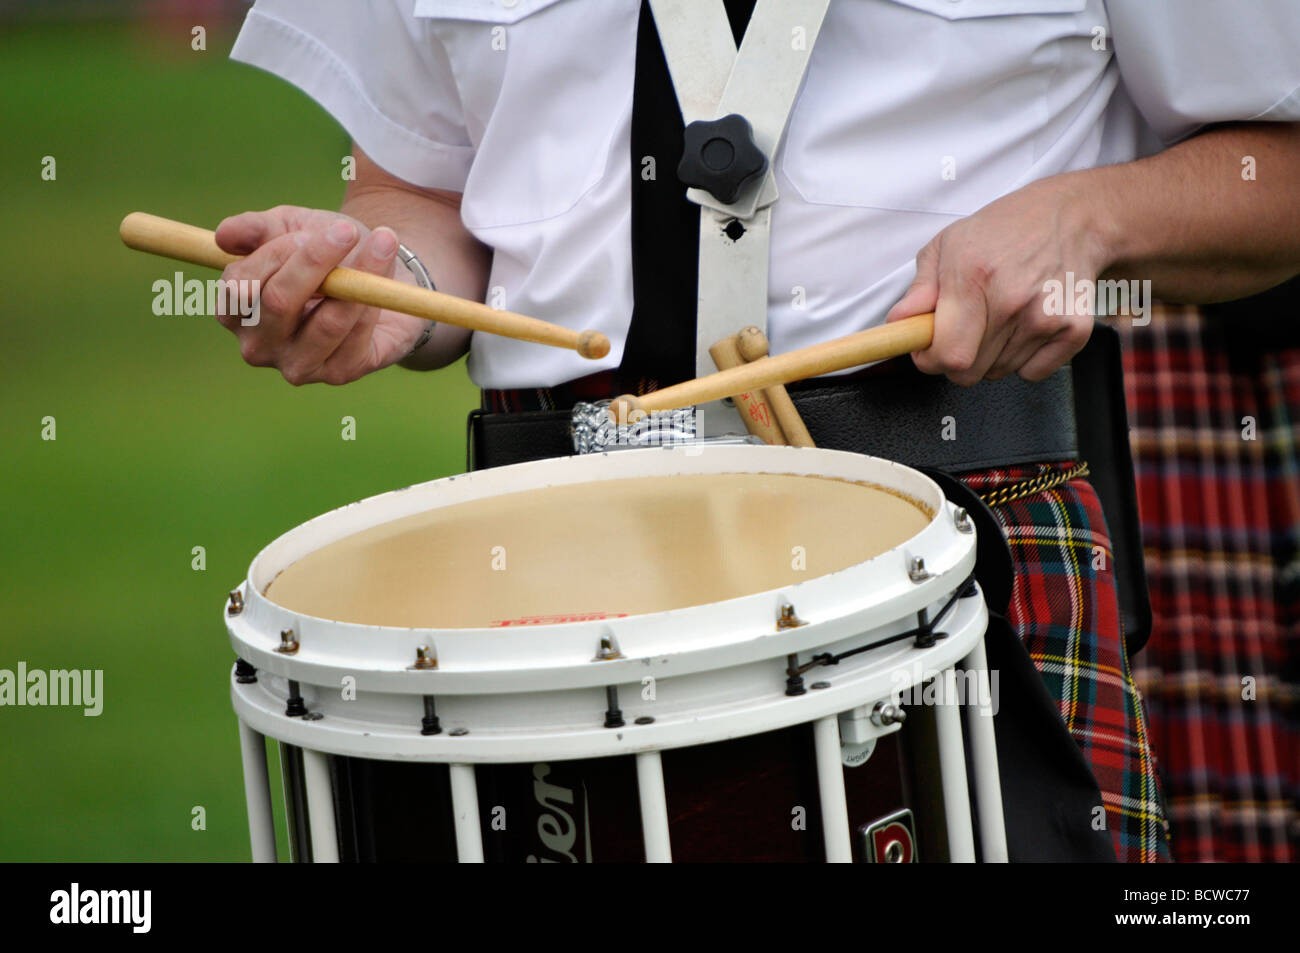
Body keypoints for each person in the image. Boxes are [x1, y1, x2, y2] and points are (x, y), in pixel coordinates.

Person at [218, 0, 1300, 861]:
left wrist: (1089, 217)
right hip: (543, 589)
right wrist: (388, 274)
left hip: (966, 554)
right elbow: (418, 183)